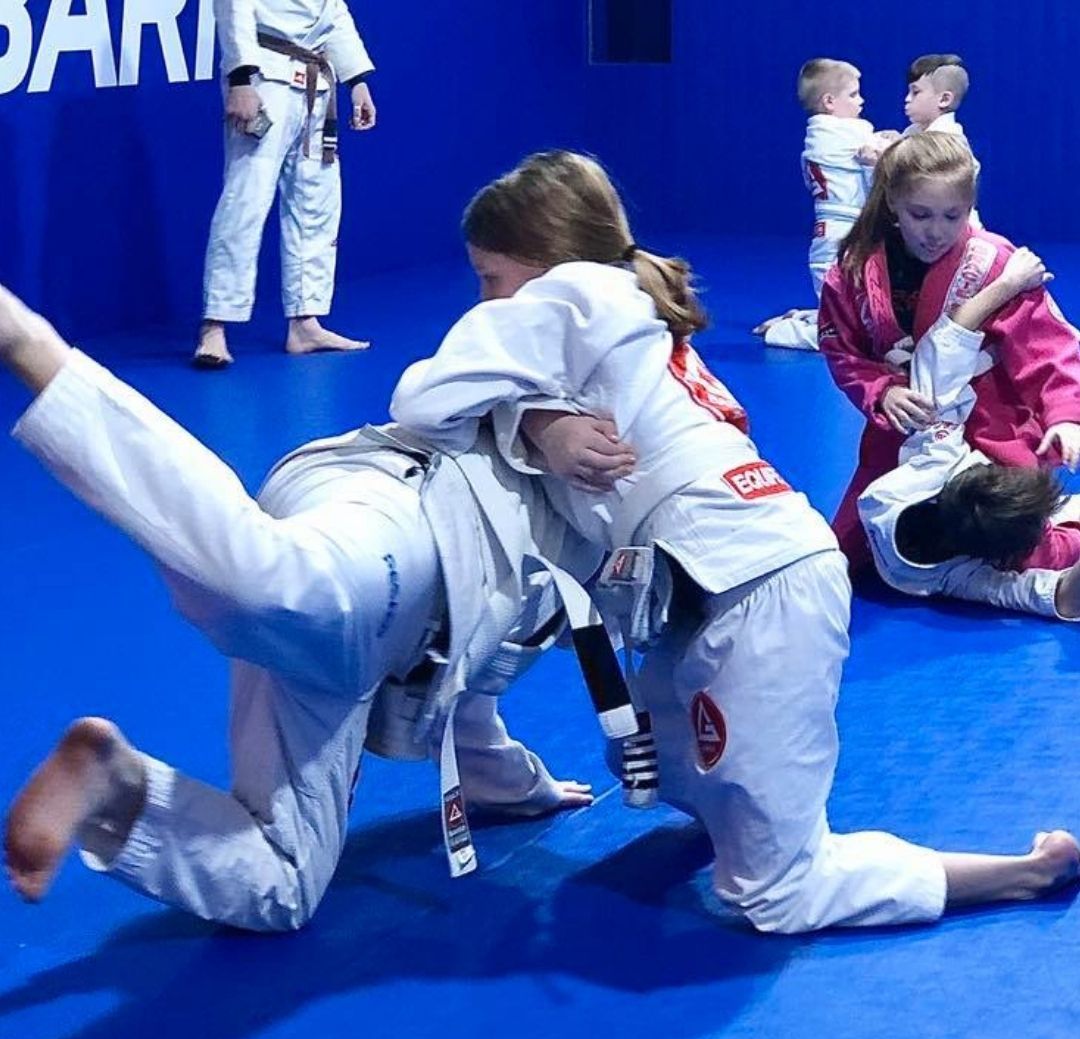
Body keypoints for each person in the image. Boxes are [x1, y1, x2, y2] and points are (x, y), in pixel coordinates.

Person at [391, 149, 1080, 935]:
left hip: (764, 590)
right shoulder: (626, 306)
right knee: (661, 772)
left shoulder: (567, 294)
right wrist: (542, 422)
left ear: (543, 258)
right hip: (717, 583)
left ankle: (1019, 873)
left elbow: (421, 398)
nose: (486, 299)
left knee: (772, 895)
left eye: (490, 277)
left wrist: (526, 416)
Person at [0, 283, 599, 932]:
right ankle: (32, 347)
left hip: (385, 635)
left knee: (284, 884)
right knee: (271, 586)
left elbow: (470, 698)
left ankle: (113, 782)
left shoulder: (557, 579)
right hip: (401, 525)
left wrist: (518, 785)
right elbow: (448, 387)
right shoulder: (591, 449)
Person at [819, 131, 1080, 576]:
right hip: (906, 430)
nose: (936, 231)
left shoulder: (997, 264)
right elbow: (842, 350)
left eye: (952, 216)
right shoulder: (854, 271)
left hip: (991, 426)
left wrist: (1064, 416)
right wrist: (880, 391)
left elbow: (1049, 348)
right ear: (893, 206)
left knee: (1016, 555)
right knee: (861, 556)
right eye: (920, 214)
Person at [858, 245, 1080, 615]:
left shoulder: (928, 465)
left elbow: (945, 347)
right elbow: (1059, 596)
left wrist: (1008, 284)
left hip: (954, 512)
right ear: (1000, 559)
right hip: (1003, 540)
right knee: (1057, 552)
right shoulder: (950, 577)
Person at [192, 0, 377, 370]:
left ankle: (305, 323)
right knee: (245, 201)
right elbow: (233, 9)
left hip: (317, 83)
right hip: (266, 77)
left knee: (317, 205)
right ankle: (215, 326)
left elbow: (334, 11)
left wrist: (356, 80)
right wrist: (240, 79)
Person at [753, 58, 898, 352]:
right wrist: (891, 143)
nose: (862, 101)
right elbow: (878, 164)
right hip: (840, 234)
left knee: (857, 309)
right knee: (849, 338)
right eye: (853, 94)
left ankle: (811, 317)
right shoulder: (848, 136)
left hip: (836, 231)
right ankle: (785, 332)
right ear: (830, 101)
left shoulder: (820, 136)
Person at [901, 53, 982, 227]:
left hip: (954, 227)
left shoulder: (950, 138)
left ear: (944, 99)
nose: (907, 99)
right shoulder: (912, 132)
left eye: (916, 92)